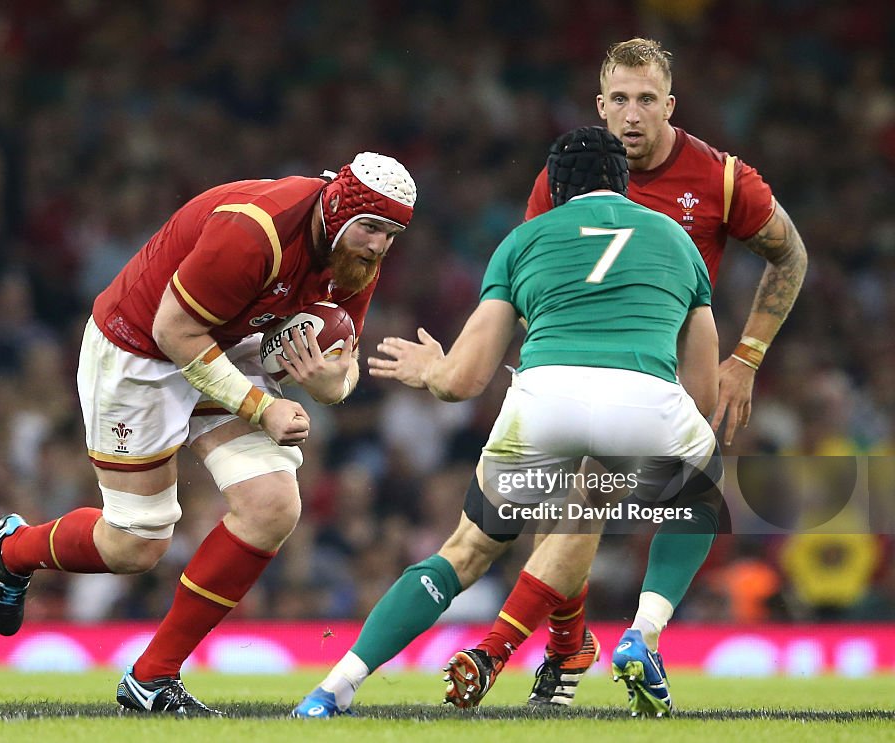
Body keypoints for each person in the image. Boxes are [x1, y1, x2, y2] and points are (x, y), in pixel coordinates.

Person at [293, 126, 721, 718]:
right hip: (645, 399)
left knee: (467, 550)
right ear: (626, 182)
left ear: (553, 186)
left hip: (543, 400)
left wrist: (429, 371)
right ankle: (642, 632)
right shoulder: (678, 241)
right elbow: (702, 391)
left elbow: (463, 383)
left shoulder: (525, 240)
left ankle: (333, 687)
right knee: (696, 488)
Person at [0, 152, 417, 715]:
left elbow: (342, 369)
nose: (379, 245)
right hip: (140, 348)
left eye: (392, 234)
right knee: (136, 543)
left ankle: (151, 677)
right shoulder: (255, 228)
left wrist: (333, 383)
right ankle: (13, 551)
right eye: (373, 228)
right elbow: (173, 329)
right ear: (336, 207)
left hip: (229, 346)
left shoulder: (354, 254)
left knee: (272, 507)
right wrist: (262, 406)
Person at [519, 37, 806, 710]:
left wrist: (747, 357)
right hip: (587, 361)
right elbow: (536, 265)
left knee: (685, 488)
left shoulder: (720, 178)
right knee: (577, 507)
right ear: (600, 104)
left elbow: (788, 256)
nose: (632, 114)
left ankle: (620, 644)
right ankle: (587, 648)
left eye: (646, 99)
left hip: (674, 366)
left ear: (670, 106)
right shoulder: (569, 174)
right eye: (619, 99)